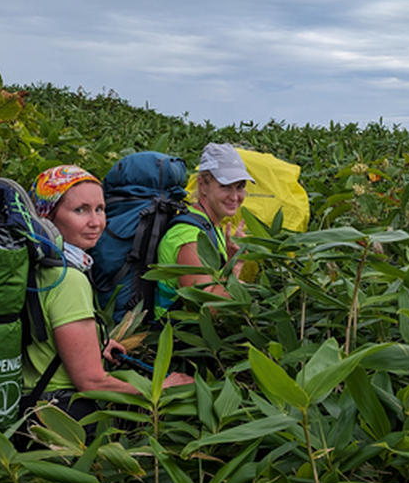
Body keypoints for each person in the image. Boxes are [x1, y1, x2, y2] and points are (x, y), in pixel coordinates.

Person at [23, 165, 192, 423]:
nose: (96, 222)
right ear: (48, 215)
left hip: (27, 401)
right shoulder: (68, 279)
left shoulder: (37, 263)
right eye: (80, 210)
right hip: (57, 414)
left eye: (100, 209)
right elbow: (91, 383)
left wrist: (93, 344)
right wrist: (161, 388)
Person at [154, 143, 253, 320]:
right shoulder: (191, 237)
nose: (235, 196)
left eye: (240, 186)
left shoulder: (210, 225)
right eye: (225, 186)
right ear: (203, 185)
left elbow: (215, 284)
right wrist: (234, 265)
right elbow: (205, 311)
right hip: (176, 338)